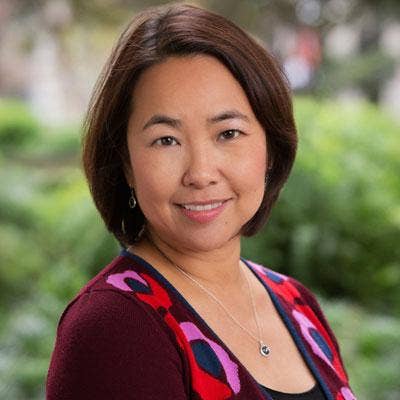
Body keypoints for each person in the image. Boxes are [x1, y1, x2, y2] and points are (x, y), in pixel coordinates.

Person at [46, 4, 356, 400]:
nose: (201, 173)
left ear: (270, 146)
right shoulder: (113, 327)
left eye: (228, 133)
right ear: (126, 163)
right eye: (166, 140)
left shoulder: (296, 304)